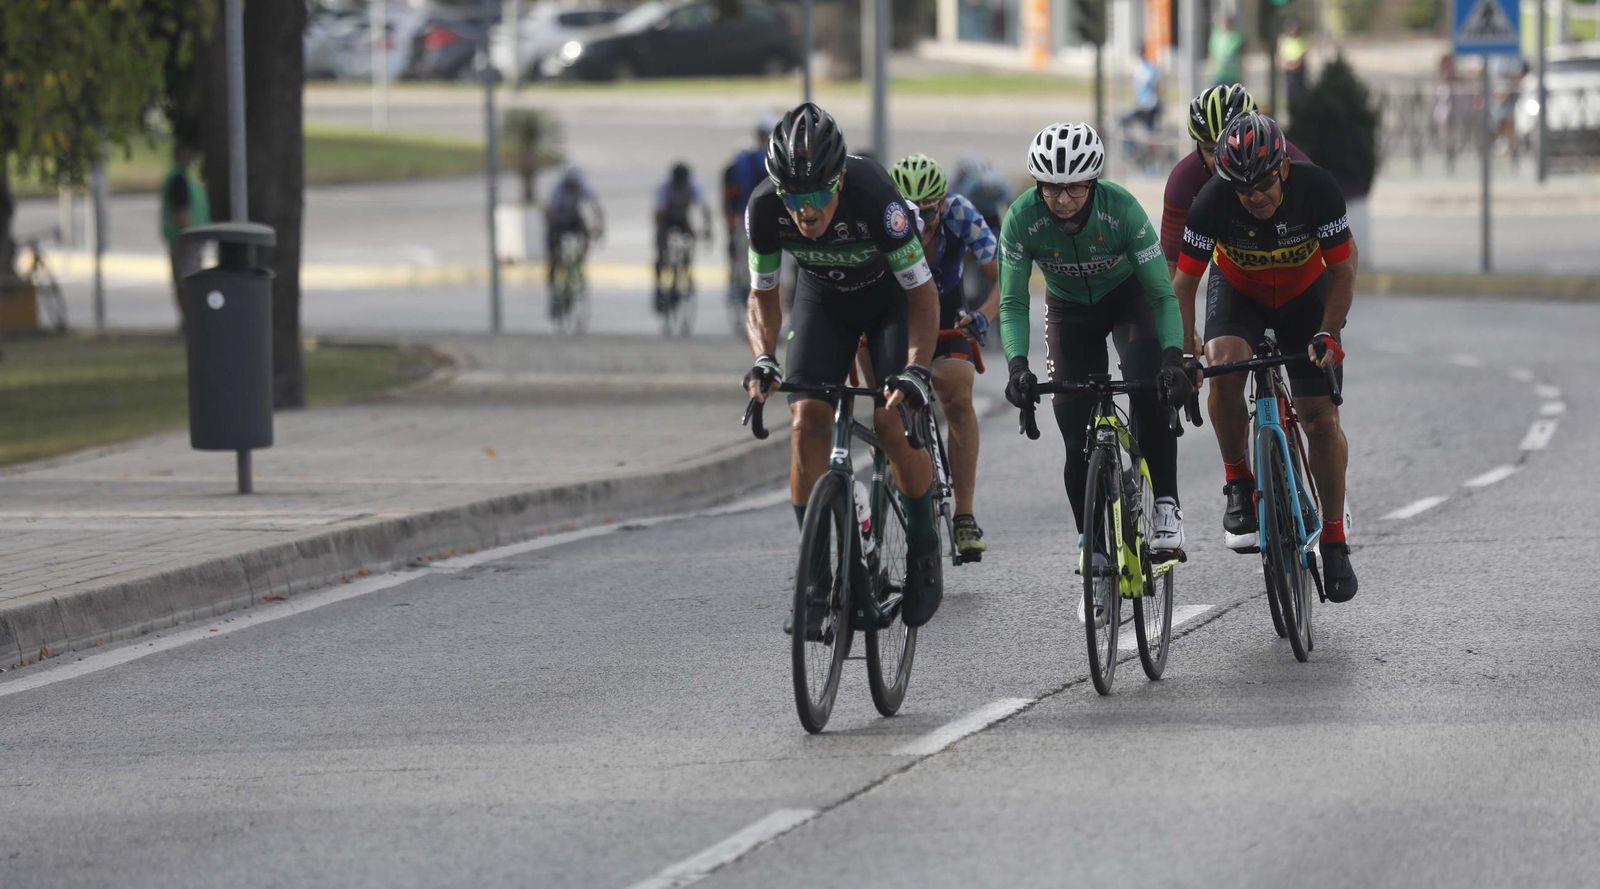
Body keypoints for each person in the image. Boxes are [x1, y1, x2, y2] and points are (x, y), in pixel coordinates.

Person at [742, 102, 946, 629]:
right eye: (793, 198)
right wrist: (764, 356)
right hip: (824, 301)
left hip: (889, 302)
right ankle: (815, 577)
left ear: (839, 182)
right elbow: (762, 296)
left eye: (816, 197)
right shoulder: (763, 208)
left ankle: (924, 547)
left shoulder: (875, 196)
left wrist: (917, 369)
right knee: (806, 421)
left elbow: (923, 296)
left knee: (891, 421)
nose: (804, 212)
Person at [1170, 111, 1358, 602]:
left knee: (1320, 418)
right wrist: (1185, 351)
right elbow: (1184, 285)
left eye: (1263, 186)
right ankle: (1238, 479)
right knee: (1223, 368)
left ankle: (1334, 538)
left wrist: (1329, 332)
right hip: (1240, 295)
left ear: (1283, 168)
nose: (1254, 197)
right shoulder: (1212, 201)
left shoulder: (1317, 189)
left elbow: (1342, 270)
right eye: (1242, 189)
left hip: (1305, 296)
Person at [999, 123, 1193, 565]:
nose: (1062, 200)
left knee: (1149, 388)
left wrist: (1171, 357)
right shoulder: (1022, 219)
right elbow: (1012, 302)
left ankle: (1166, 504)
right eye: (1051, 188)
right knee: (1075, 437)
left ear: (1093, 182)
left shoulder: (1121, 210)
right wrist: (1017, 367)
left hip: (1129, 301)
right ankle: (1092, 542)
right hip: (1068, 311)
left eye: (1075, 188)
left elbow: (1162, 295)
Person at [888, 152, 1002, 563]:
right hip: (897, 317)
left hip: (946, 313)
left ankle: (965, 515)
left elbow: (1004, 276)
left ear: (942, 201)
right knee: (885, 405)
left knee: (957, 390)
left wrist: (983, 316)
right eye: (911, 215)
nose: (921, 224)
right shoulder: (881, 217)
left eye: (929, 213)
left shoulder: (959, 212)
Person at [1160, 83, 1312, 290]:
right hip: (1235, 267)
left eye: (1233, 145)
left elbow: (1336, 249)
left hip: (1296, 262)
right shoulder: (1184, 180)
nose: (1222, 158)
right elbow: (1171, 264)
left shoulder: (1295, 166)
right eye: (1211, 150)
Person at [723, 115, 776, 298]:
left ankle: (745, 291)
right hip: (771, 218)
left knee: (744, 257)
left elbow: (730, 193)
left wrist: (730, 220)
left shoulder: (742, 160)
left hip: (745, 216)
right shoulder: (775, 159)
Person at [160, 143, 210, 334]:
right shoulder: (179, 179)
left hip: (187, 237)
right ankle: (190, 320)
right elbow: (180, 212)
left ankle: (190, 319)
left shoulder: (185, 178)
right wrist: (189, 233)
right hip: (185, 239)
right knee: (188, 279)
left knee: (186, 278)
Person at [543, 166, 605, 316]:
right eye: (570, 187)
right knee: (554, 259)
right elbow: (548, 212)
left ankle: (578, 266)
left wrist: (598, 228)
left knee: (583, 239)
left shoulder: (583, 188)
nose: (572, 189)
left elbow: (597, 209)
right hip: (557, 223)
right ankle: (553, 293)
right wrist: (552, 234)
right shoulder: (557, 191)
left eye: (575, 187)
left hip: (574, 222)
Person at [654, 162, 712, 312]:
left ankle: (686, 266)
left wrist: (707, 230)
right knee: (661, 254)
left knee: (689, 245)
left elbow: (704, 209)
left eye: (682, 183)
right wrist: (662, 236)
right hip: (665, 219)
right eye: (678, 183)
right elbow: (659, 213)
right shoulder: (664, 188)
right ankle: (659, 287)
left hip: (682, 220)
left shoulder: (692, 187)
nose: (680, 185)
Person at [1122, 47, 1164, 173]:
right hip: (1141, 106)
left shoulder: (1151, 69)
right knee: (1125, 123)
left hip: (1150, 106)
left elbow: (1158, 86)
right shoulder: (1139, 68)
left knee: (1150, 134)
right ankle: (1132, 152)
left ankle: (1151, 161)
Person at [1208, 13, 1245, 88]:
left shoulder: (1237, 37)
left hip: (1232, 76)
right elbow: (1212, 54)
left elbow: (1241, 57)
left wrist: (1242, 75)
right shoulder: (1216, 36)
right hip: (1218, 74)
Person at [1280, 20, 1310, 110]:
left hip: (1298, 71)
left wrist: (1293, 66)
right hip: (1289, 71)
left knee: (1299, 92)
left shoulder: (1301, 41)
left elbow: (1302, 59)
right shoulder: (1286, 41)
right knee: (1290, 92)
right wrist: (1287, 66)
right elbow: (1281, 58)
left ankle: (1301, 109)